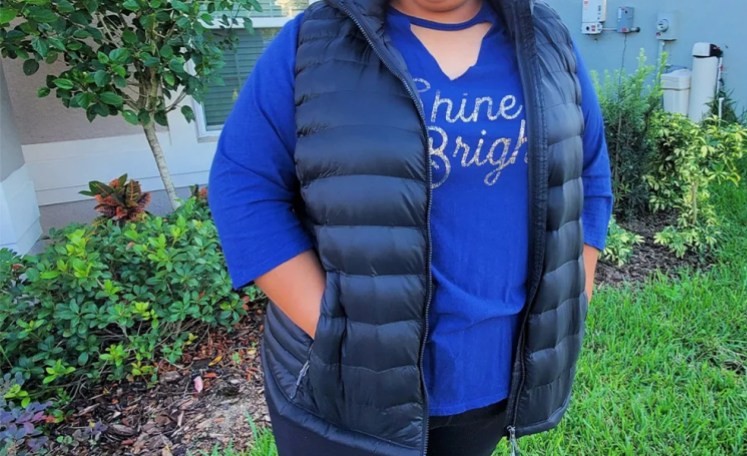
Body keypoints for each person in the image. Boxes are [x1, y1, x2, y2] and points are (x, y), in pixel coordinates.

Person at [208, 0, 613, 453]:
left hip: (490, 385)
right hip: (345, 392)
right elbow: (244, 187)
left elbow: (589, 172)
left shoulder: (547, 39)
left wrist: (573, 296)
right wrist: (336, 336)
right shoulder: (312, 42)